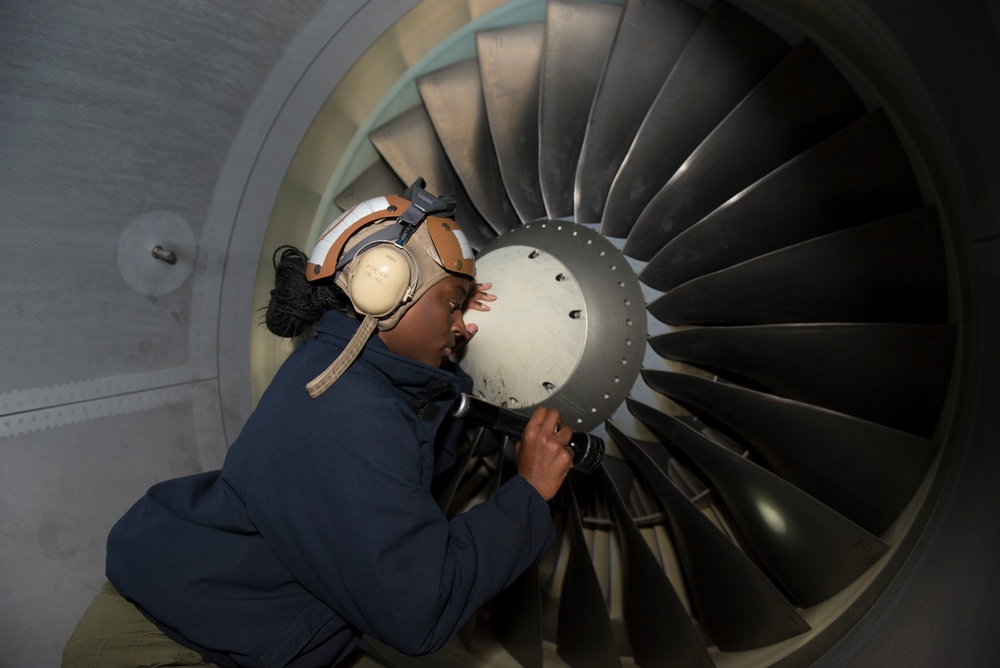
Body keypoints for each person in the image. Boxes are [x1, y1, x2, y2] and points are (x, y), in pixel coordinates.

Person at [62, 181, 575, 667]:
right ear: (386, 290)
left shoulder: (344, 372)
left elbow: (417, 460)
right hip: (158, 650)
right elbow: (420, 609)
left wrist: (448, 322)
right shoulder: (346, 409)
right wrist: (527, 495)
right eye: (453, 304)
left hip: (225, 631)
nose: (464, 324)